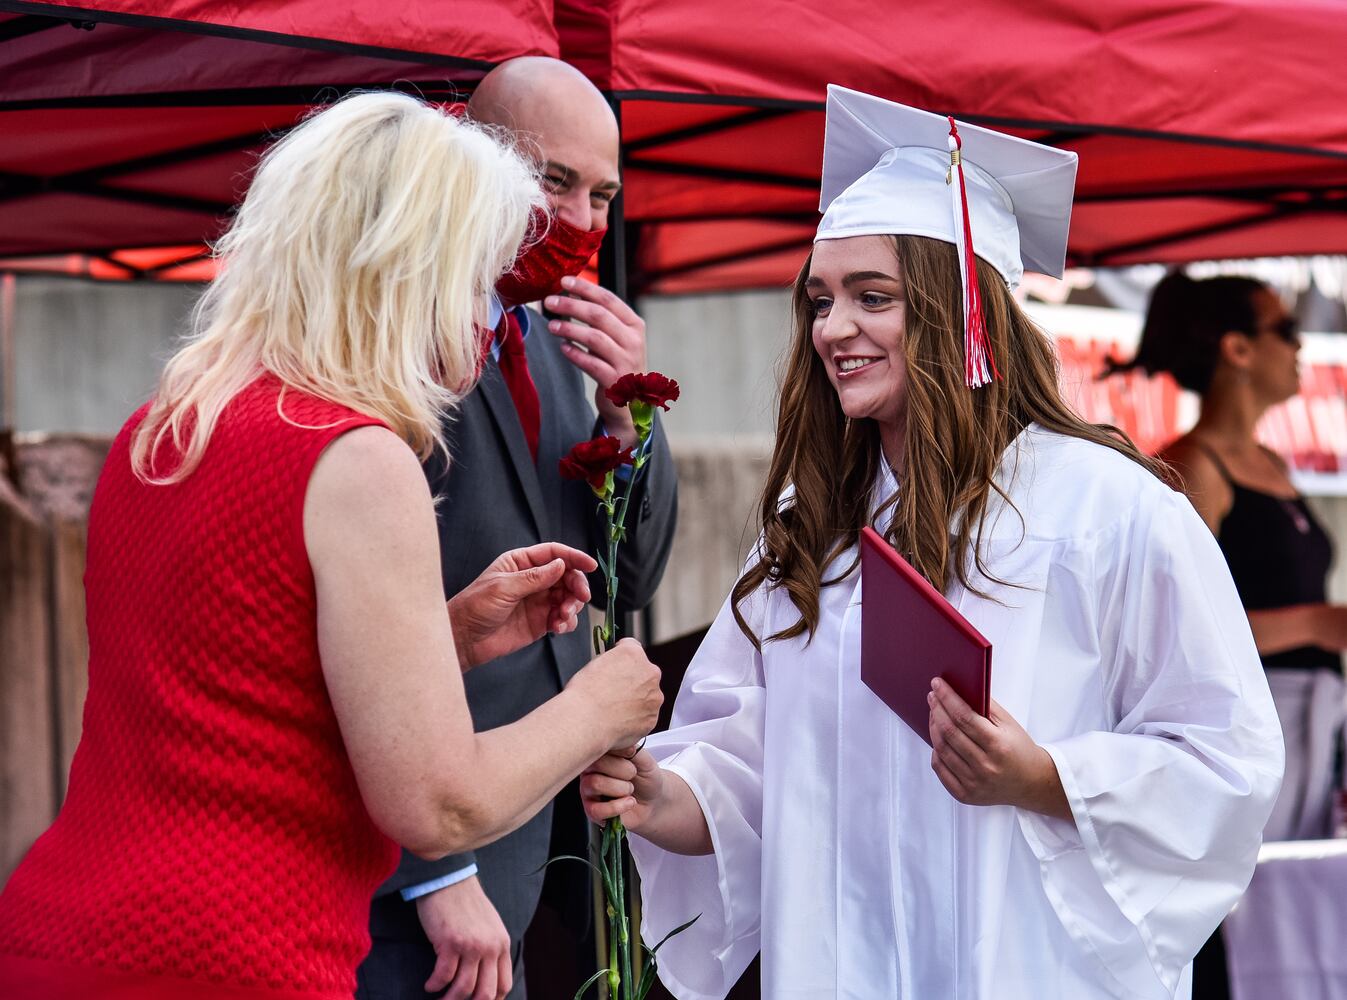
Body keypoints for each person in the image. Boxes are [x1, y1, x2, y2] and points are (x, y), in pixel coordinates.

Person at [581, 87, 1285, 1000]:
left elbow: (1224, 759)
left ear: (966, 318)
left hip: (1027, 967)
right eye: (821, 301)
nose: (833, 329)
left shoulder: (1111, 511)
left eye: (872, 297)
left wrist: (1045, 776)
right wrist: (659, 798)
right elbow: (753, 763)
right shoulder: (819, 522)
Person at [0, 92, 664, 1000]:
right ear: (405, 271)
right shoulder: (355, 457)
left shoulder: (161, 429)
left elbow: (238, 682)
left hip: (60, 933)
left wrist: (448, 636)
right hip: (234, 955)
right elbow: (437, 801)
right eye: (474, 282)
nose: (482, 322)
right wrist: (601, 705)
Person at [357, 59, 678, 1000]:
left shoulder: (549, 339)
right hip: (419, 843)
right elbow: (362, 632)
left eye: (605, 193)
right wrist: (432, 865)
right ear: (470, 159)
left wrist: (630, 420)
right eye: (554, 181)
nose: (583, 220)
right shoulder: (388, 335)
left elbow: (632, 577)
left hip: (552, 820)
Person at [1112, 271, 1346, 843]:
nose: (1298, 346)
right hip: (1248, 725)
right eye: (1285, 329)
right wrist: (1317, 623)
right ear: (1236, 348)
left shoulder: (1270, 462)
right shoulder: (1192, 468)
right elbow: (1181, 628)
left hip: (1311, 714)